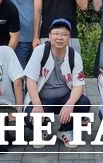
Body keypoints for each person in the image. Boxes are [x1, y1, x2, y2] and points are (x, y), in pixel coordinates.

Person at [25, 19, 90, 149]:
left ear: (69, 37)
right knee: (28, 116)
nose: (59, 38)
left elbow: (78, 86)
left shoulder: (74, 56)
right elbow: (30, 80)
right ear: (49, 36)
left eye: (64, 34)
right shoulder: (40, 51)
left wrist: (70, 104)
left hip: (64, 98)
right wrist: (37, 106)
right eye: (56, 34)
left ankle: (65, 129)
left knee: (83, 103)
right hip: (43, 99)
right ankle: (43, 128)